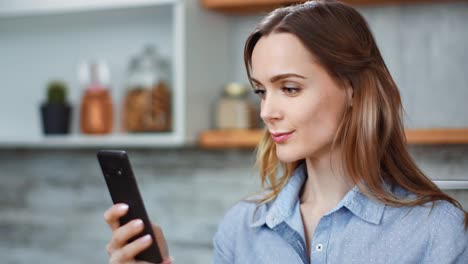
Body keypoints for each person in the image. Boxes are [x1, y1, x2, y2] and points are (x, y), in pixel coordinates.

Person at [103, 0, 468, 263]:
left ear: (353, 89)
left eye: (290, 88)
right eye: (262, 91)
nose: (266, 112)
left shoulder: (435, 230)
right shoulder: (241, 228)